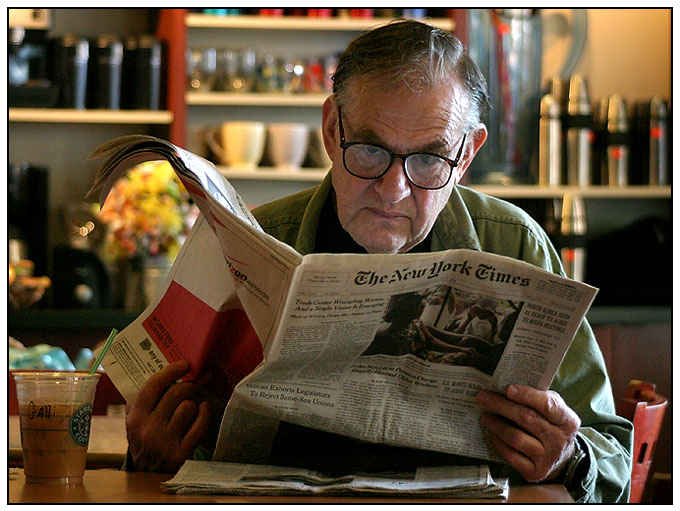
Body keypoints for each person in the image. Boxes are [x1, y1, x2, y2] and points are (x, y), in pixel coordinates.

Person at [124, 20, 632, 502]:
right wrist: (151, 454)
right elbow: (167, 445)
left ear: (467, 154)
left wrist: (568, 457)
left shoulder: (514, 245)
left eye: (430, 158)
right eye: (368, 150)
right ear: (330, 130)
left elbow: (613, 453)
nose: (393, 190)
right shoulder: (248, 241)